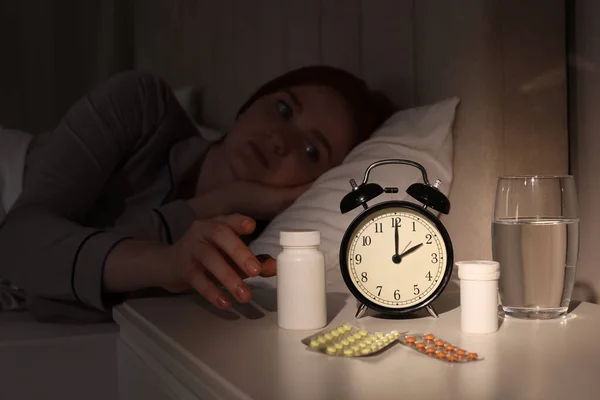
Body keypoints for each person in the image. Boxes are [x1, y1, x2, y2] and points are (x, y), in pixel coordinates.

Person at [0, 65, 396, 323]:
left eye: (312, 152)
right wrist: (209, 210)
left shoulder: (245, 252)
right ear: (248, 105)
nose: (281, 140)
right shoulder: (141, 106)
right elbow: (18, 240)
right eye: (282, 110)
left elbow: (50, 294)